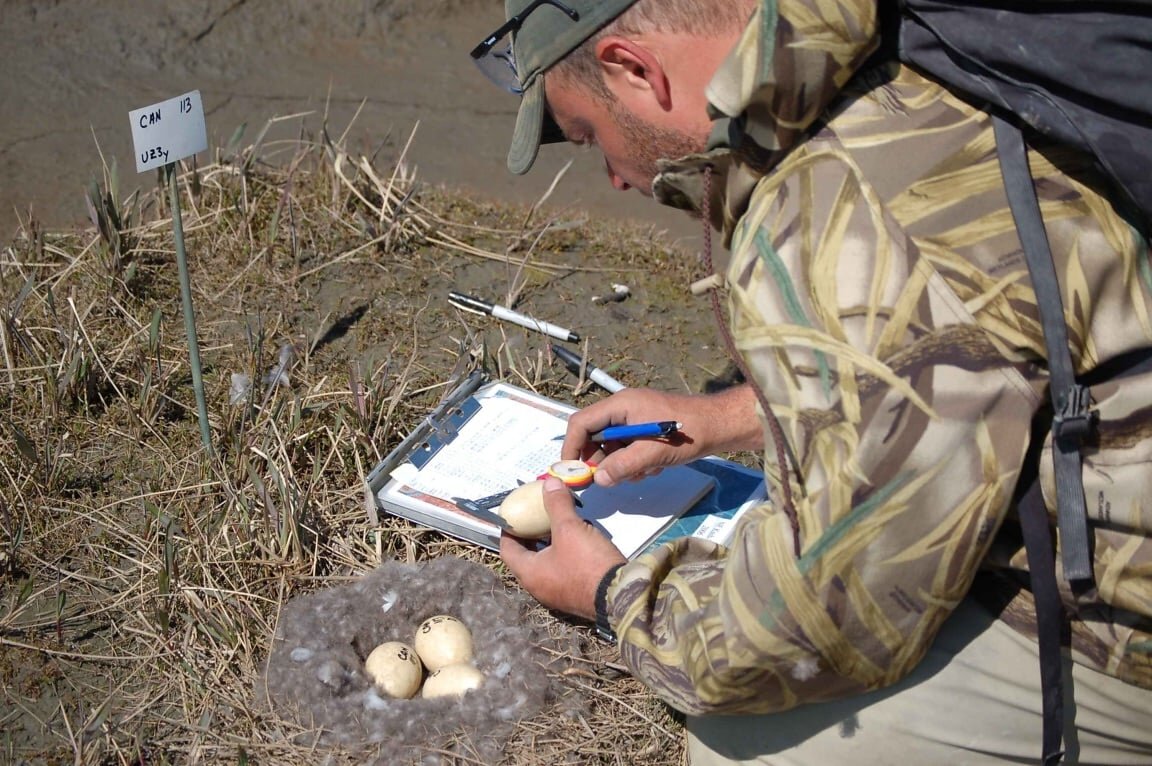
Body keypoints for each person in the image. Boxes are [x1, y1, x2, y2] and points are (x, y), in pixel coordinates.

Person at [473, 0, 1152, 762]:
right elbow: (982, 336)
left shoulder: (836, 204)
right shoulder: (906, 54)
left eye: (587, 134)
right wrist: (726, 417)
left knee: (750, 745)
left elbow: (831, 618)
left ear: (635, 68)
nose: (613, 177)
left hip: (1131, 620)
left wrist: (613, 594)